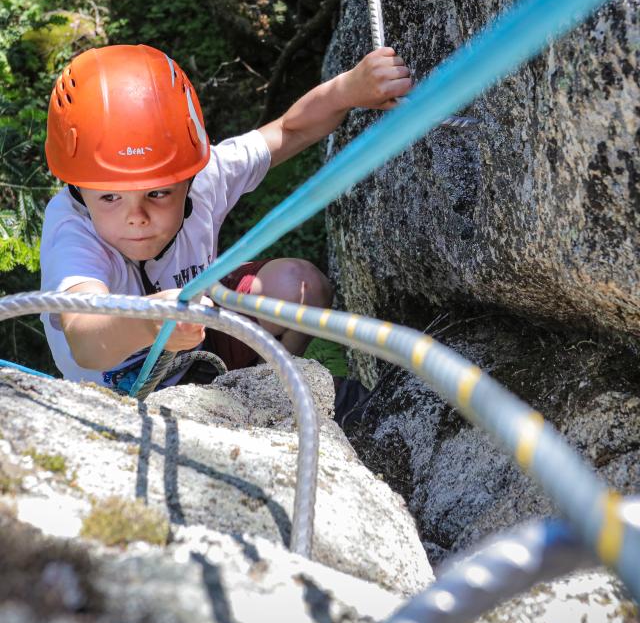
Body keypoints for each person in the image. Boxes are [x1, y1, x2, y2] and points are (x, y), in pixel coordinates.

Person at [40, 43, 411, 392]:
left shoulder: (207, 179)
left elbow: (288, 130)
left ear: (188, 179)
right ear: (77, 191)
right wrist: (152, 322)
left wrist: (349, 88)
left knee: (300, 286)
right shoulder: (73, 230)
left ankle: (264, 389)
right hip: (117, 397)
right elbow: (83, 334)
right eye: (109, 197)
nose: (136, 217)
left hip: (201, 343)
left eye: (158, 193)